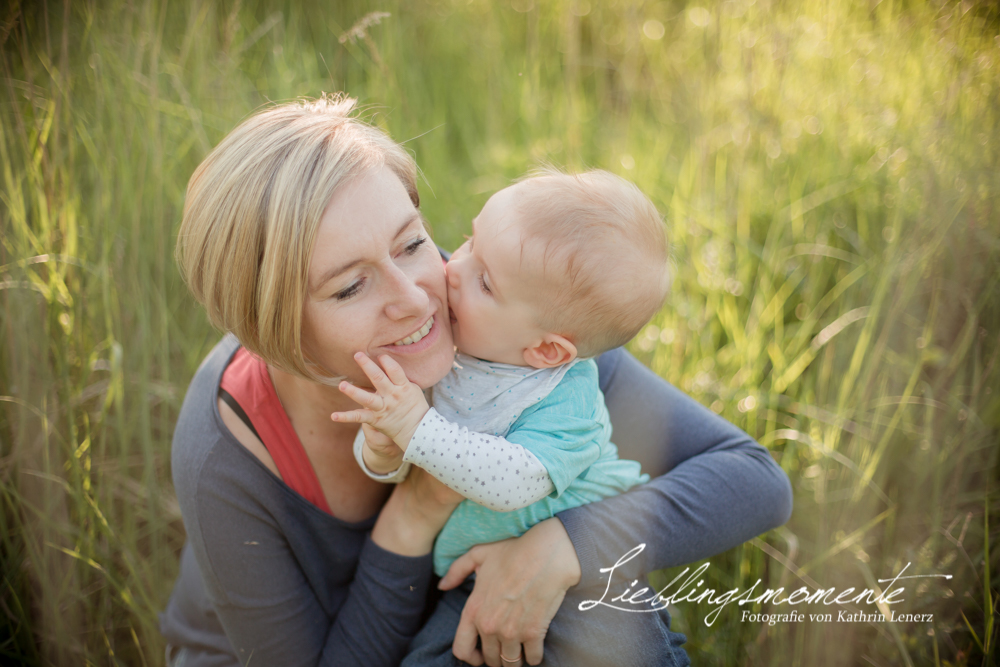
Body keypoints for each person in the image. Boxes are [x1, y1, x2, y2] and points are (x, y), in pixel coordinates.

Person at [159, 94, 793, 667]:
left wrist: (565, 545)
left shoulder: (502, 321)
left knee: (587, 600)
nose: (417, 298)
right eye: (351, 285)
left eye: (411, 243)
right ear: (270, 328)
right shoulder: (227, 460)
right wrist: (413, 514)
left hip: (457, 611)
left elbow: (752, 479)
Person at [333, 169, 682, 665]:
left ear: (544, 349)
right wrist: (384, 447)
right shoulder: (451, 347)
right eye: (472, 240)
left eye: (485, 281)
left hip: (585, 582)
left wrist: (416, 429)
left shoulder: (564, 401)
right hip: (475, 578)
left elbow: (510, 483)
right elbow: (398, 462)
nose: (453, 267)